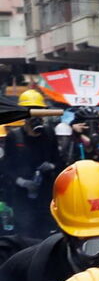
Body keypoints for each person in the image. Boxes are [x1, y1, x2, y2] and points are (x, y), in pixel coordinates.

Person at [1, 90, 62, 239]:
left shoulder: (49, 134)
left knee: (44, 234)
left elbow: (59, 160)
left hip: (44, 195)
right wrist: (21, 181)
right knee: (25, 233)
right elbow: (6, 167)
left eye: (39, 112)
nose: (36, 117)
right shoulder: (14, 137)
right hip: (22, 197)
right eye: (32, 112)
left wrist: (52, 166)